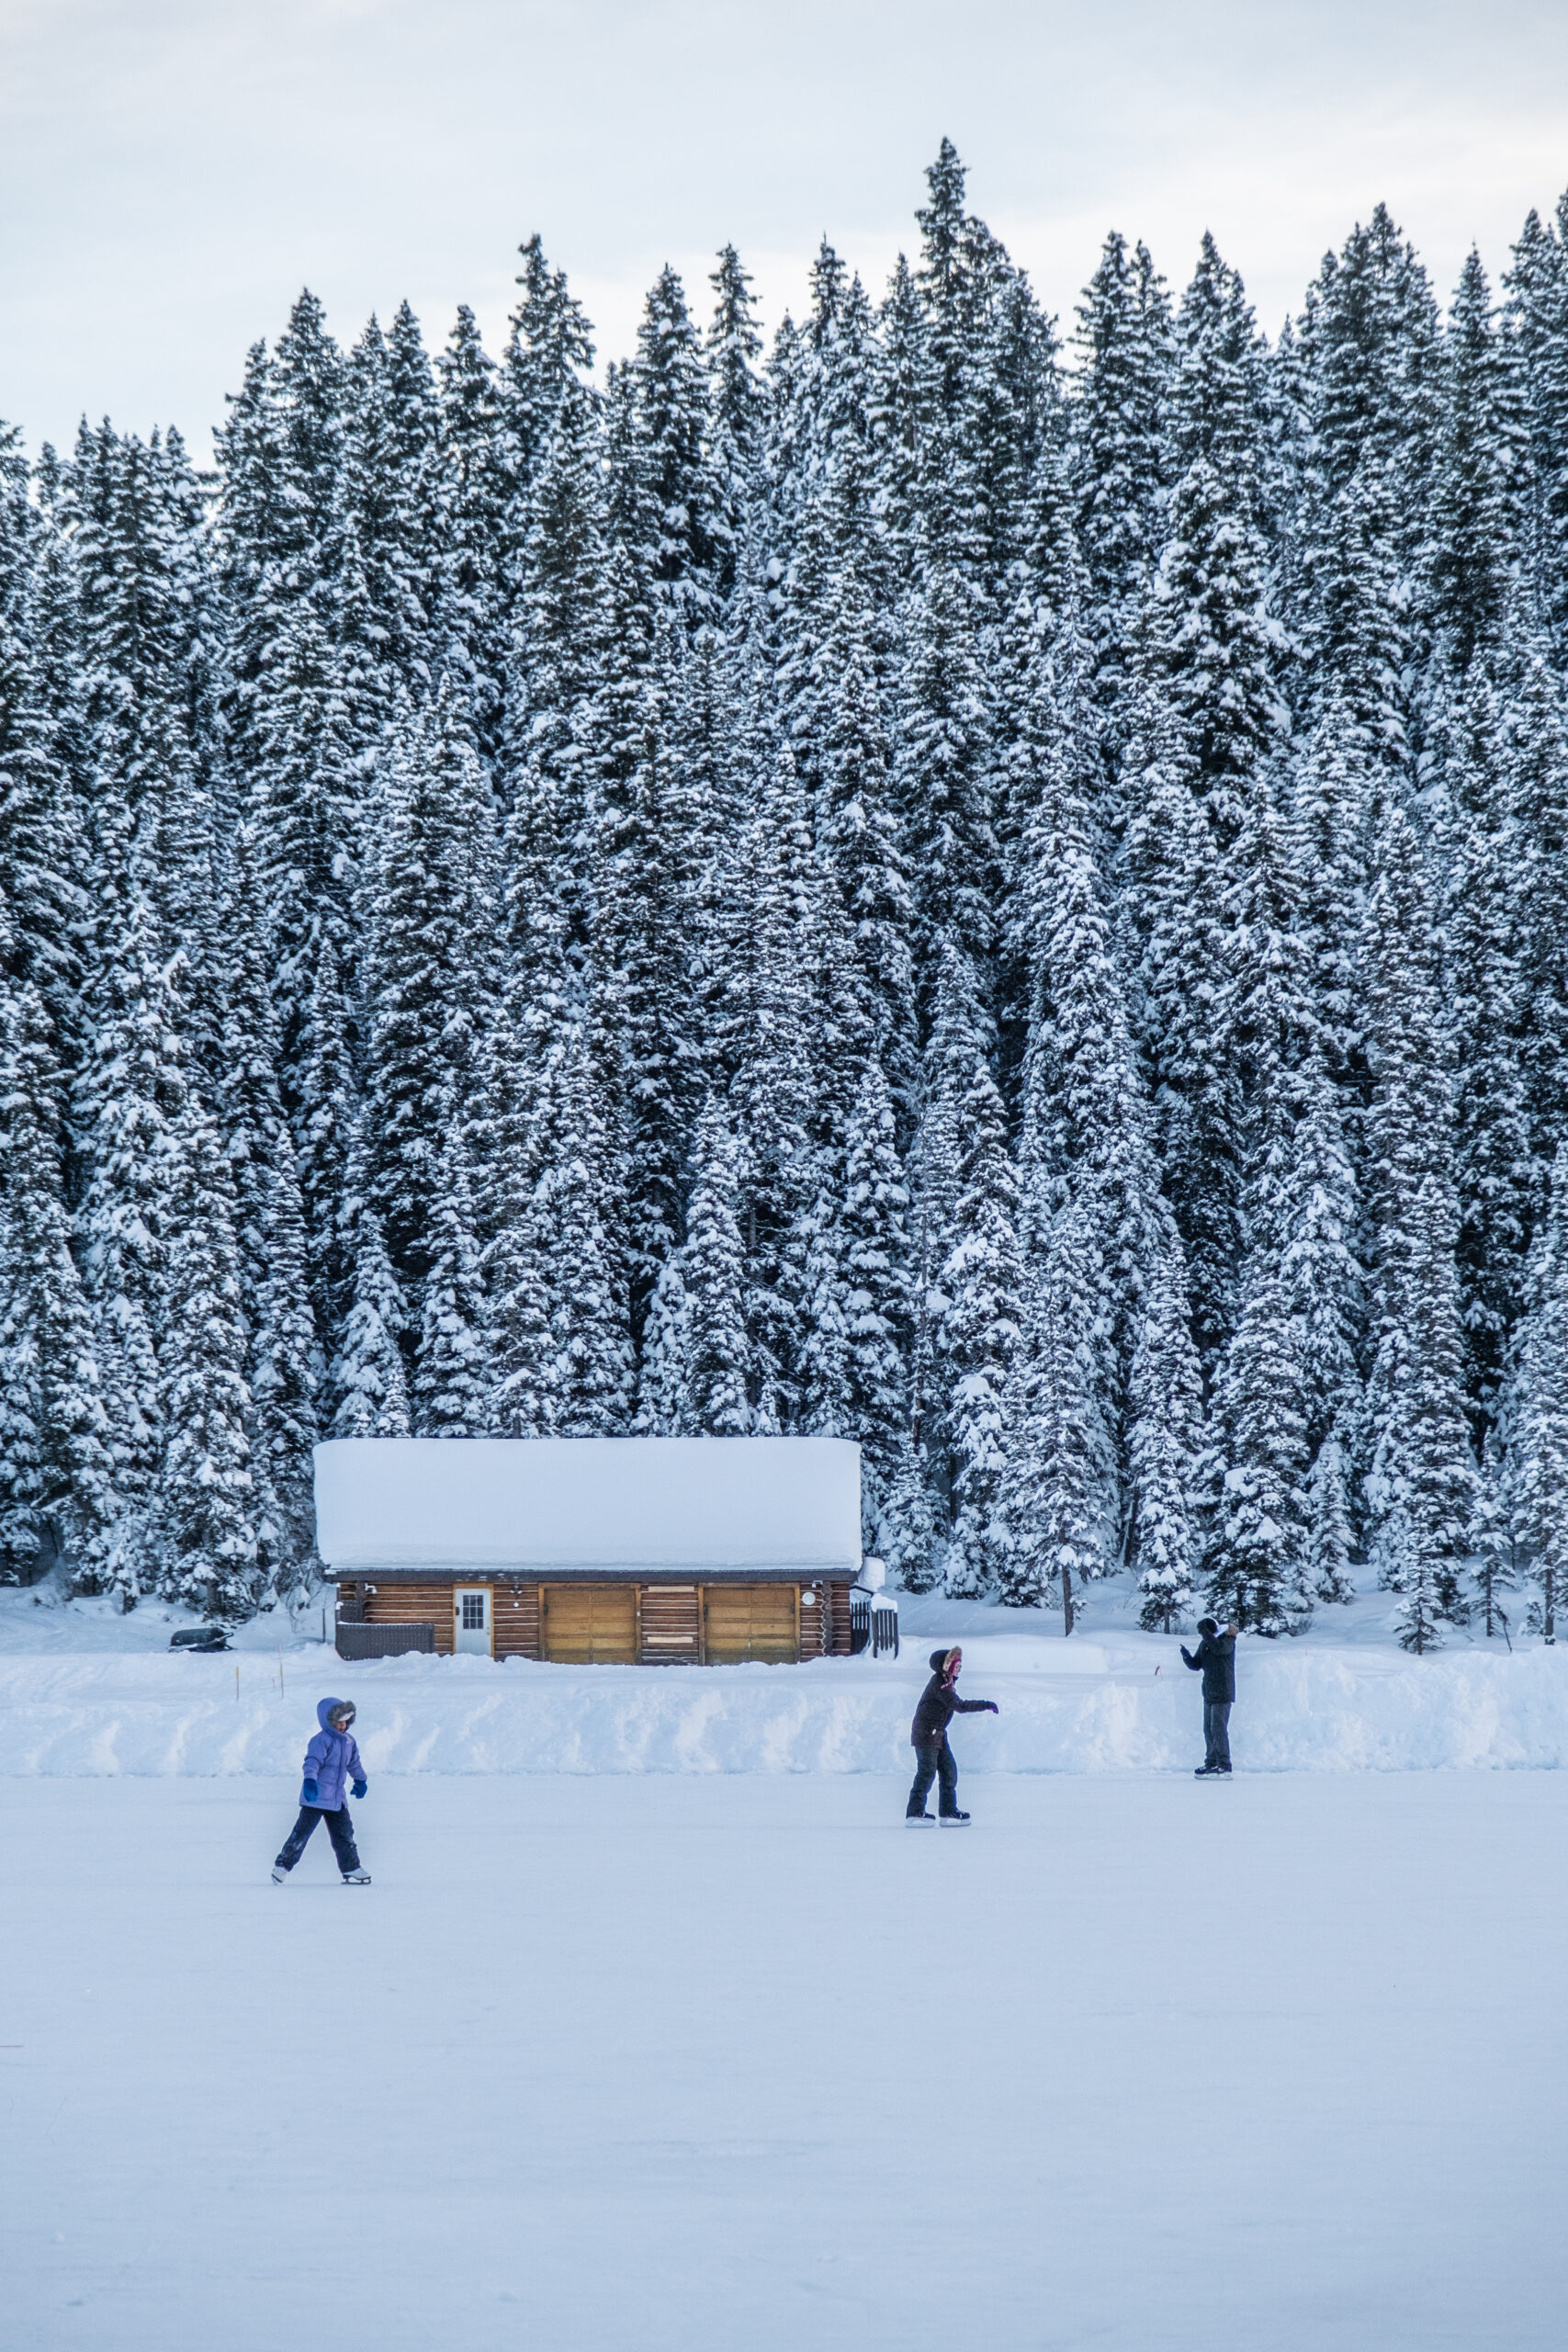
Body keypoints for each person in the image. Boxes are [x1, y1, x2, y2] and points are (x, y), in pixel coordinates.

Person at [272, 1697, 372, 1883]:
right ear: (328, 1721)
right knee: (301, 1834)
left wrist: (360, 1779)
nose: (342, 1726)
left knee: (344, 1834)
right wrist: (310, 1781)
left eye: (345, 1721)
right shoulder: (321, 1740)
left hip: (337, 1799)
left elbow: (354, 1763)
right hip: (316, 1797)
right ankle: (282, 1866)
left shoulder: (350, 1742)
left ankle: (351, 1867)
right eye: (338, 1722)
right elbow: (312, 1762)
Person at [906, 1646, 998, 1826]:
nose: (959, 1668)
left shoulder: (946, 1682)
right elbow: (960, 1706)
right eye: (956, 1665)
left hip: (938, 1733)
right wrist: (985, 1704)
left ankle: (948, 1811)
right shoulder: (939, 1684)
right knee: (927, 1772)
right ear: (946, 1666)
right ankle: (914, 1813)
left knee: (949, 1771)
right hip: (926, 1734)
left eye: (960, 1665)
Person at [1180, 1618, 1237, 1776]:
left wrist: (1205, 1633)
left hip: (1223, 1692)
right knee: (1208, 1730)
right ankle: (1211, 1763)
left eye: (1204, 1631)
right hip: (1209, 1692)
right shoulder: (1206, 1643)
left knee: (1218, 1729)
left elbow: (1219, 1649)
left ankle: (1224, 1765)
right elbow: (1196, 1664)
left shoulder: (1227, 1640)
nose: (1203, 1635)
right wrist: (1186, 1657)